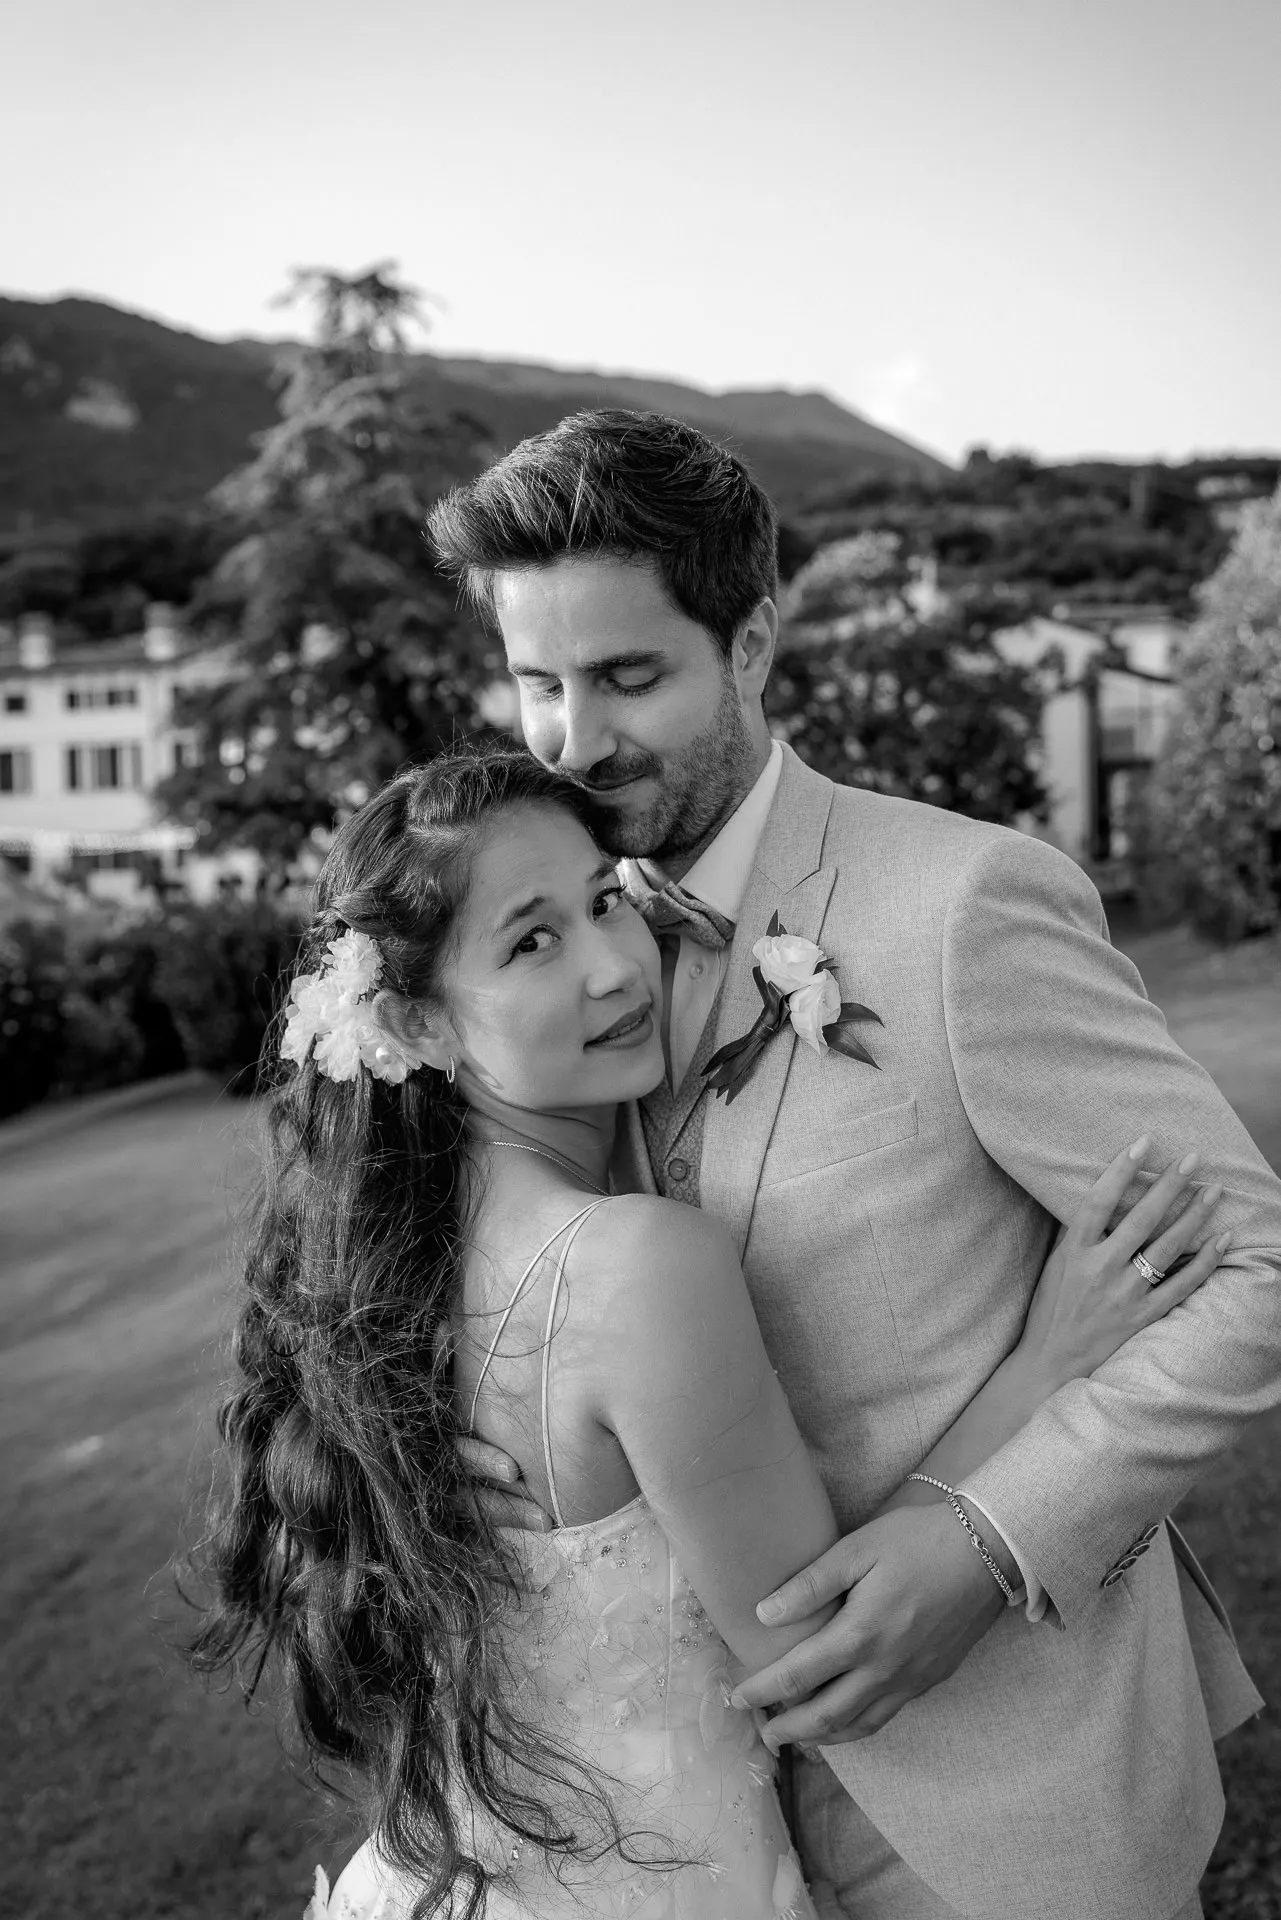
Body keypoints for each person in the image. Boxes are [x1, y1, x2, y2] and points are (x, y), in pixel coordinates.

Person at [424, 411, 1281, 1920]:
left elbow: (1252, 1271)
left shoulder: (964, 904)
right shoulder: (551, 955)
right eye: (538, 682)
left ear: (752, 642)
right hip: (705, 1819)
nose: (571, 740)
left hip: (1019, 1792)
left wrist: (986, 1541)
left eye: (629, 677)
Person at [195, 746, 1224, 1920]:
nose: (613, 966)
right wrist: (1045, 1359)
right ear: (413, 1022)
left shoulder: (382, 1282)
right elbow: (816, 1650)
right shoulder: (630, 1263)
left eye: (602, 902)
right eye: (532, 941)